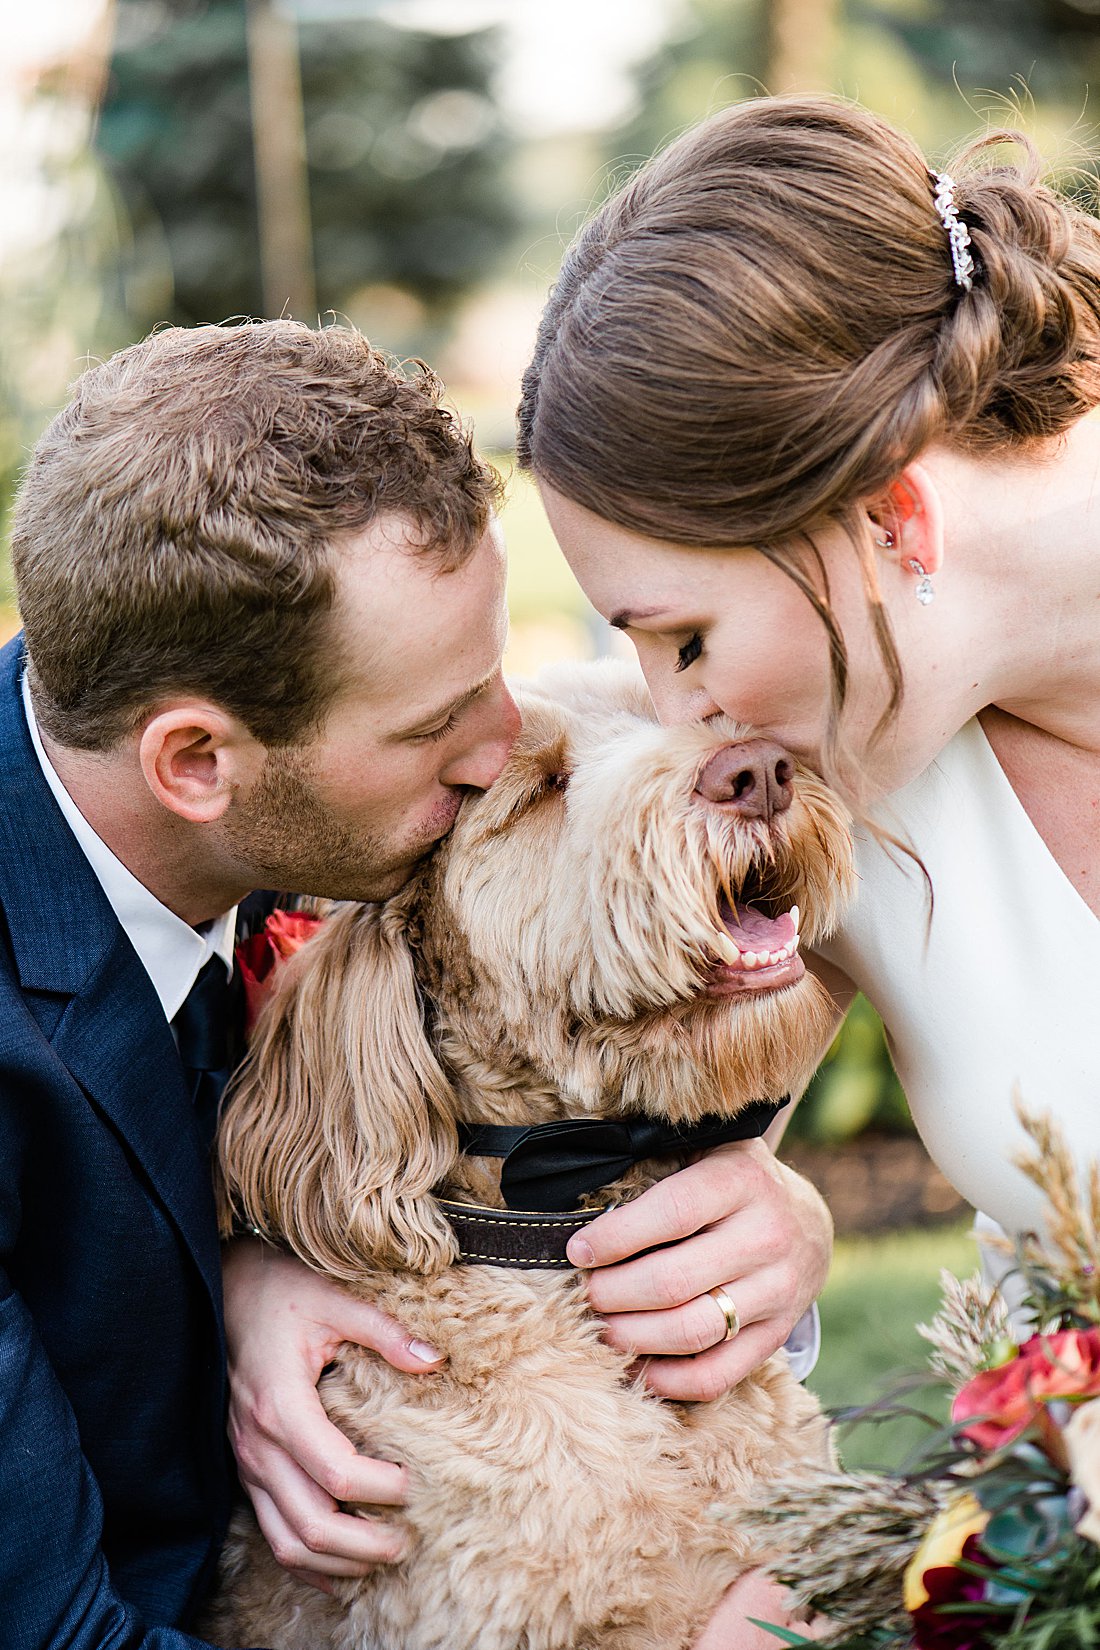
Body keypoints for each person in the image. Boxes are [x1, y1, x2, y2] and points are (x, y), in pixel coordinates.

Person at [1, 317, 830, 1648]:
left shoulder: (304, 813)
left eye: (491, 677)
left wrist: (772, 1212)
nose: (502, 742)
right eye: (436, 724)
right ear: (197, 764)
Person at [517, 91, 1100, 1638]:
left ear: (888, 512)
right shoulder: (835, 766)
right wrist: (262, 1278)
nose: (675, 715)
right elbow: (427, 872)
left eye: (685, 637)